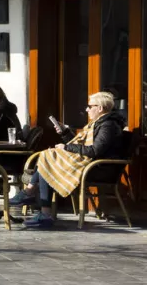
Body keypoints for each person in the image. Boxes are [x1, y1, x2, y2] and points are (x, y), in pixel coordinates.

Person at [13, 91, 126, 229]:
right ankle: (41, 208)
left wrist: (66, 147)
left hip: (99, 169)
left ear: (100, 108)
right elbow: (83, 145)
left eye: (90, 106)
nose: (87, 109)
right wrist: (64, 132)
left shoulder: (107, 126)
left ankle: (33, 198)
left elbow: (94, 151)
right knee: (48, 157)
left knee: (48, 159)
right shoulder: (97, 124)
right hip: (90, 164)